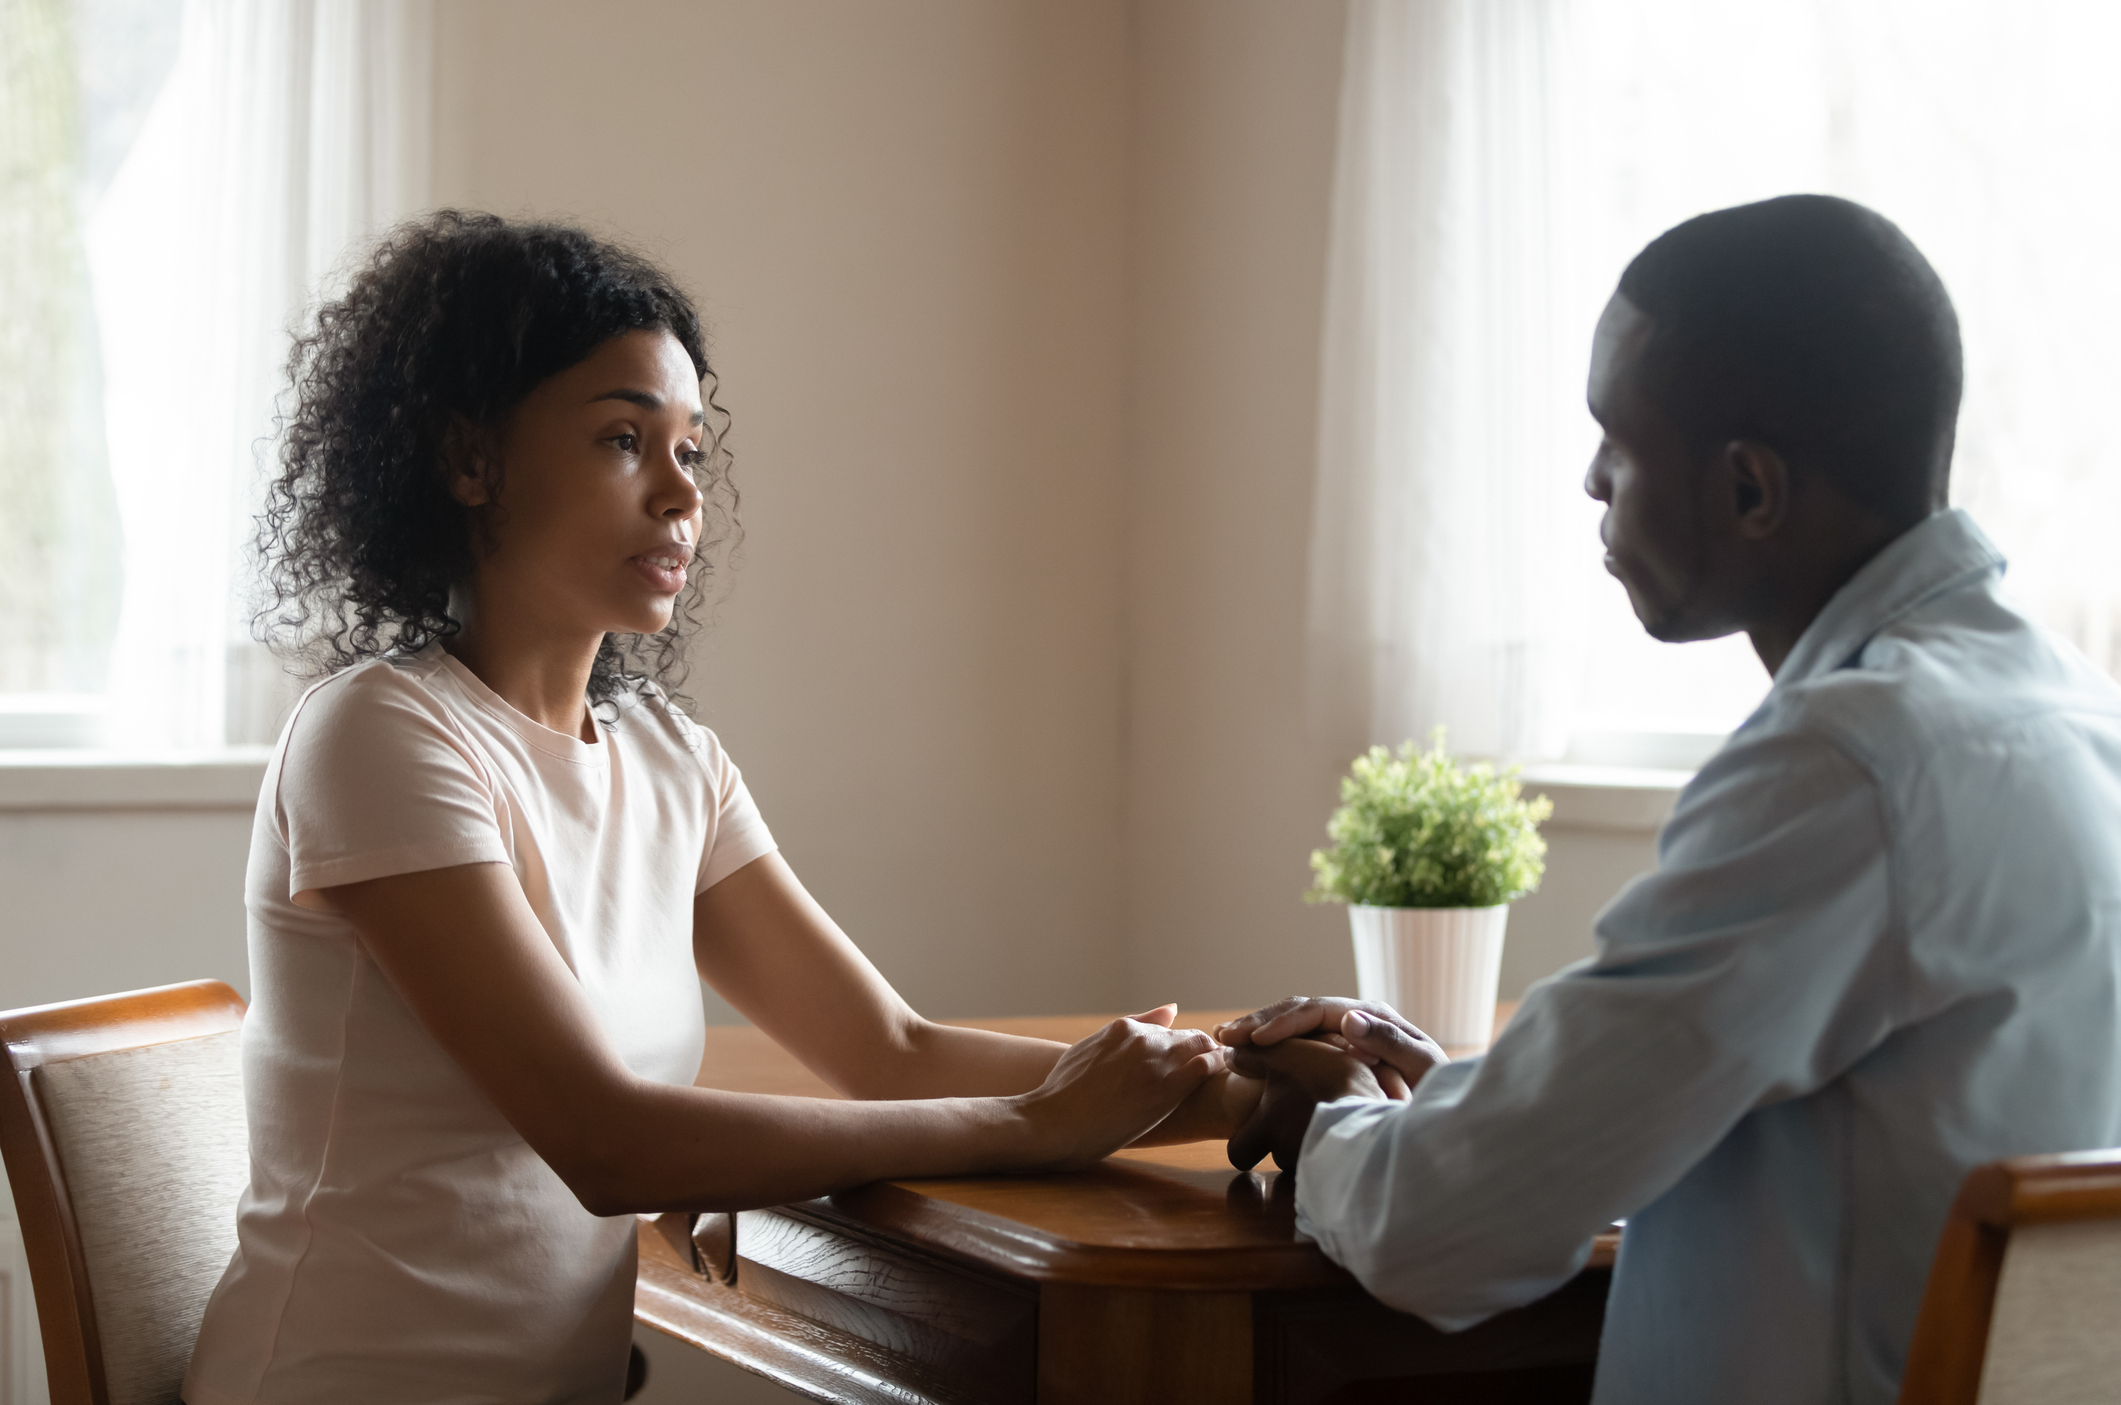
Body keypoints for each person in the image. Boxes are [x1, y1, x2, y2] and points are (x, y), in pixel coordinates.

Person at [182, 212, 1251, 1405]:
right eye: (623, 439)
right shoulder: (381, 734)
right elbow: (610, 1141)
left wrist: (1238, 1082)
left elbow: (889, 1050)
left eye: (691, 450)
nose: (676, 494)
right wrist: (1031, 1123)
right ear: (470, 458)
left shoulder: (671, 757)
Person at [1216, 194, 2121, 1404]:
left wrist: (1337, 1116)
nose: (1591, 480)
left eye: (1617, 440)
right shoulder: (2076, 714)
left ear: (1750, 488)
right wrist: (1476, 1099)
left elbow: (1438, 1232)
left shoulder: (1845, 765)